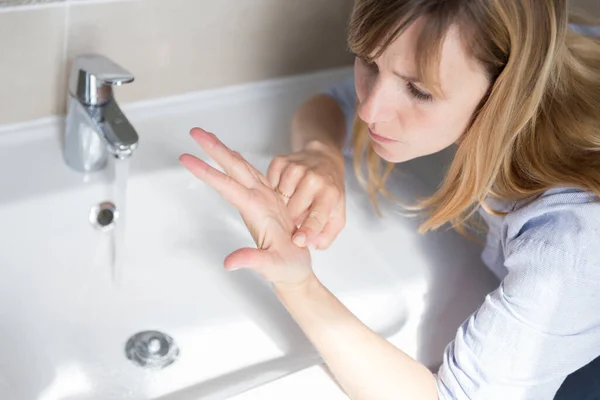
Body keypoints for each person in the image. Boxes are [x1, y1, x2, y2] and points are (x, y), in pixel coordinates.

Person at [180, 1, 600, 399]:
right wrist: (320, 151)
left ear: (506, 92)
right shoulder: (529, 48)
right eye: (369, 62)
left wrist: (297, 284)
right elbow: (336, 102)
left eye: (418, 91)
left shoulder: (569, 244)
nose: (371, 110)